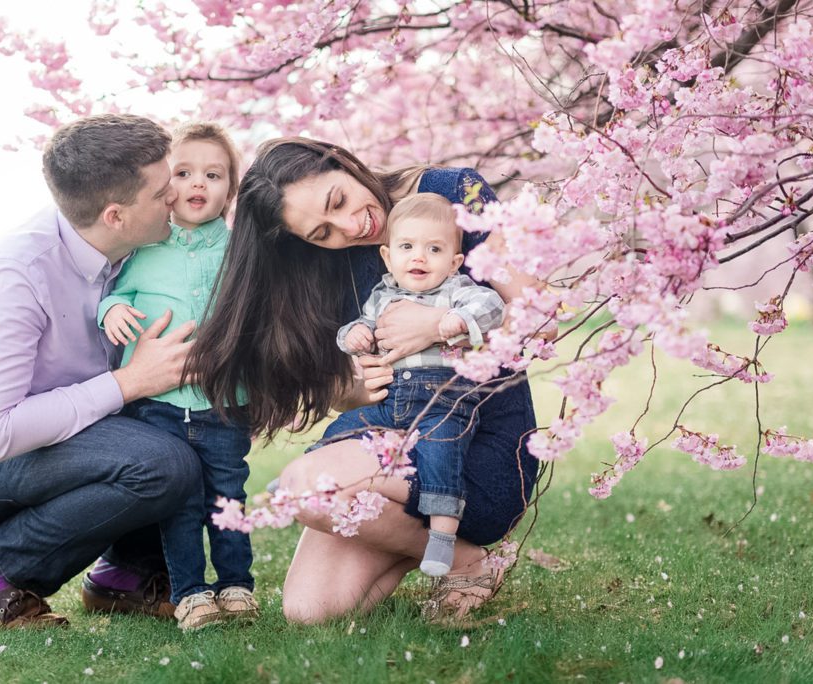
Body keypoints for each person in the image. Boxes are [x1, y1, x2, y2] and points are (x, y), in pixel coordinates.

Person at [188, 137, 542, 623]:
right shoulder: (324, 266)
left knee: (307, 489)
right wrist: (358, 383)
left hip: (478, 442)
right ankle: (454, 555)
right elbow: (339, 393)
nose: (351, 226)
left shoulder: (455, 193)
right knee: (310, 610)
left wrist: (437, 325)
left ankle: (454, 556)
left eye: (339, 201)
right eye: (322, 233)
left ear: (341, 162)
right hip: (392, 444)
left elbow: (540, 316)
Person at [0, 113, 202, 629]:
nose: (177, 197)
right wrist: (130, 382)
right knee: (162, 463)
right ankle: (0, 564)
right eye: (163, 190)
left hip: (73, 436)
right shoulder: (19, 274)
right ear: (115, 215)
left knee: (187, 434)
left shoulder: (139, 248)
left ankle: (125, 576)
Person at [97, 122, 257, 632]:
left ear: (230, 190)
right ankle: (189, 592)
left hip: (224, 405)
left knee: (227, 497)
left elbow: (257, 317)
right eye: (184, 172)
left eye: (213, 175)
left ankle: (236, 584)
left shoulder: (239, 253)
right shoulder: (145, 252)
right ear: (167, 187)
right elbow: (115, 294)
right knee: (180, 506)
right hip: (158, 407)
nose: (197, 184)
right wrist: (112, 312)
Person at [333, 193, 505, 577]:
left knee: (442, 458)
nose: (419, 257)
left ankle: (442, 540)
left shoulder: (456, 289)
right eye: (407, 247)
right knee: (341, 428)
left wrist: (451, 321)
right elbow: (357, 327)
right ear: (388, 256)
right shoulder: (383, 295)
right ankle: (306, 473)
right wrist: (357, 334)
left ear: (455, 261)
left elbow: (493, 307)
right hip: (391, 400)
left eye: (434, 249)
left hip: (443, 402)